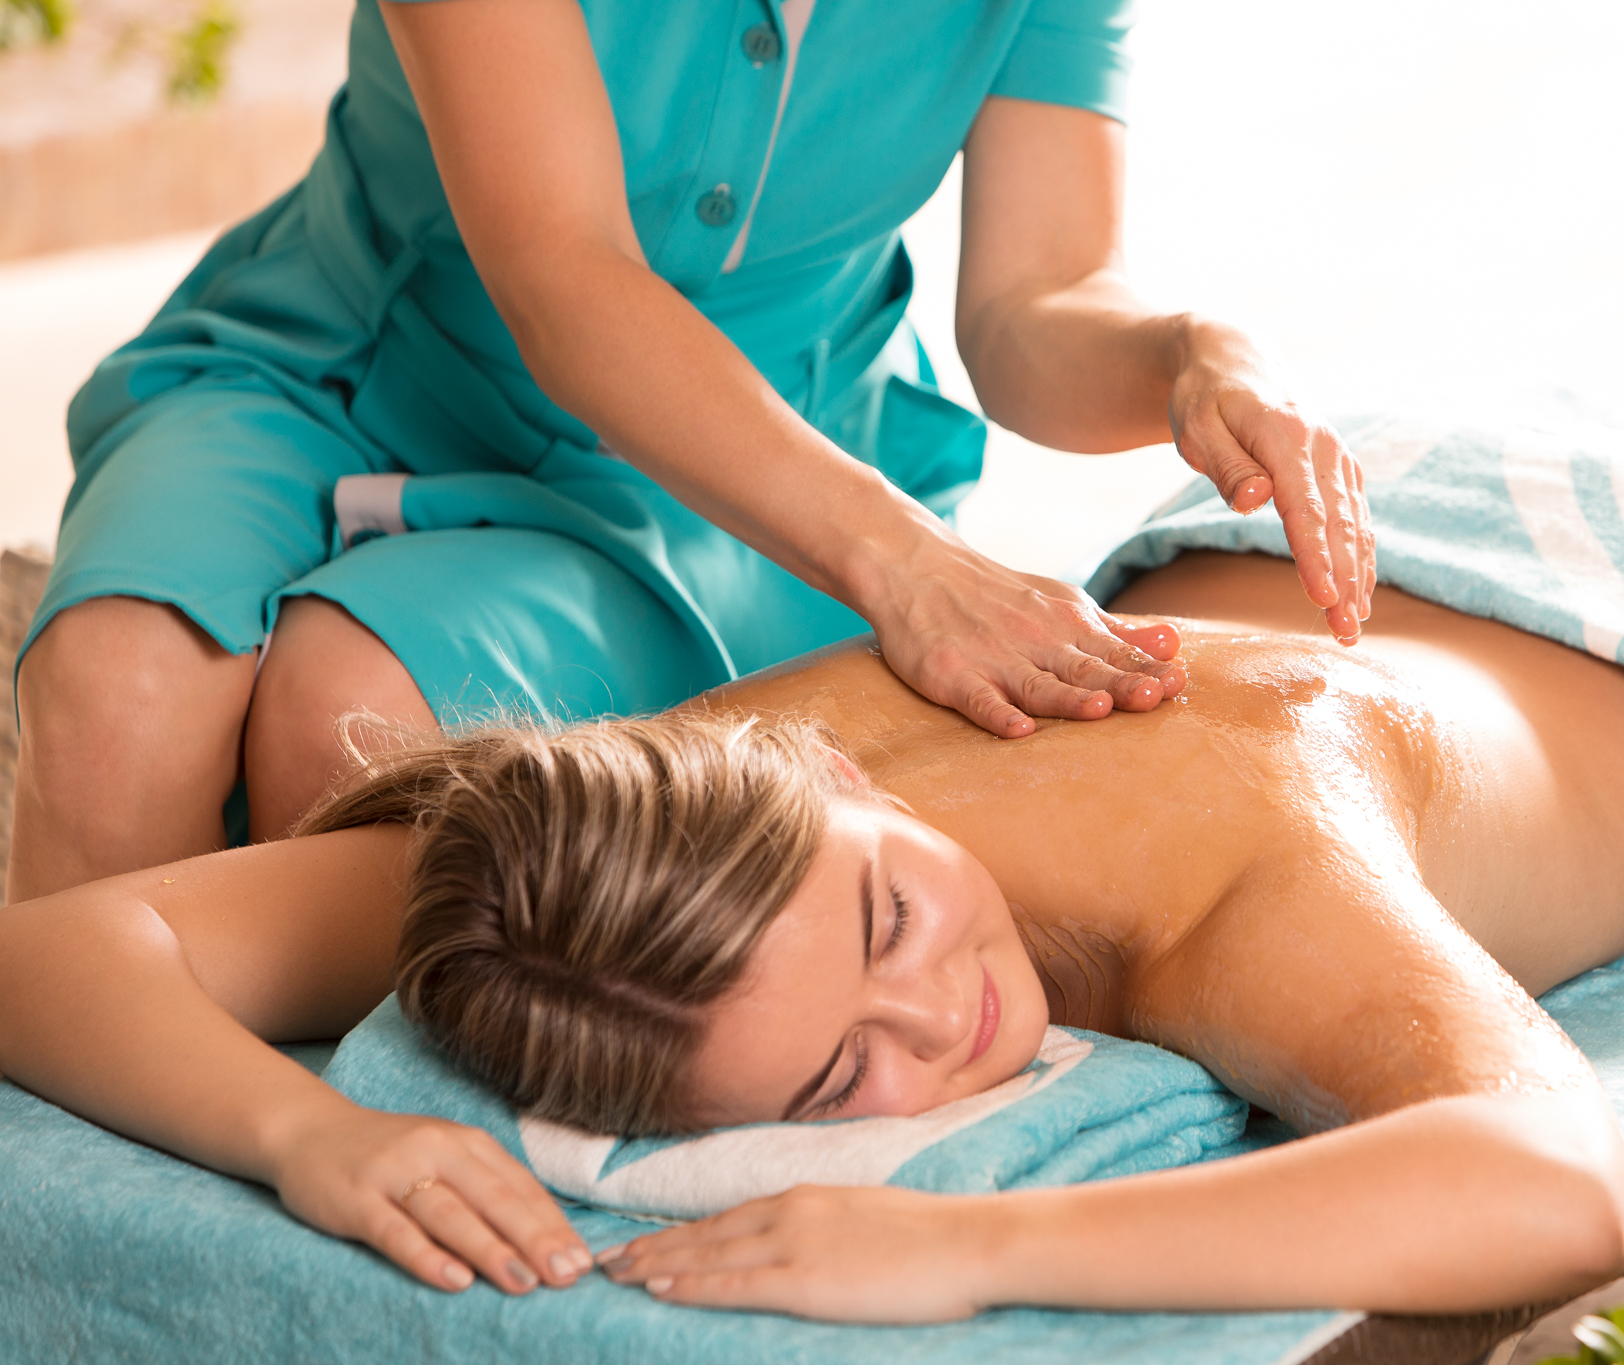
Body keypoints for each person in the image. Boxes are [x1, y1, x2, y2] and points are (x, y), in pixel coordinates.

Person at [3, 350, 1624, 1322]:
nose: (944, 1019)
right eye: (838, 1081)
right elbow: (58, 950)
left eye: (888, 920)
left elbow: (1544, 1178)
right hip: (1413, 566)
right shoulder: (632, 831)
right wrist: (311, 1134)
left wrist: (969, 1240)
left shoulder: (1242, 901)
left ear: (842, 780)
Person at [4, 0, 1374, 904]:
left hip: (748, 478)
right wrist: (907, 565)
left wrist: (1193, 355)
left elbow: (1034, 301)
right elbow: (564, 272)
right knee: (116, 700)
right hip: (345, 356)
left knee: (355, 738)